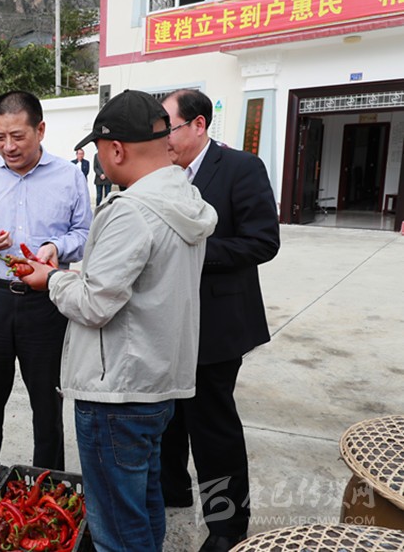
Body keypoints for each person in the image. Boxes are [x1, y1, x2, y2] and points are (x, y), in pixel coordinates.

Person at [21, 89, 217, 552]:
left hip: (116, 392)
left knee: (115, 527)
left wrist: (52, 280)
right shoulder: (184, 199)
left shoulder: (131, 212)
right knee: (143, 504)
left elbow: (94, 305)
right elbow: (134, 287)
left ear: (115, 149)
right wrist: (74, 276)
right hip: (156, 383)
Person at [158, 89, 280, 552]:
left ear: (198, 125)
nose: (162, 138)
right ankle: (172, 490)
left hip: (218, 322)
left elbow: (262, 241)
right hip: (167, 319)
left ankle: (228, 524)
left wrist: (193, 251)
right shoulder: (161, 173)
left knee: (212, 426)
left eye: (168, 128)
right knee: (168, 417)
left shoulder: (240, 168)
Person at [0, 91, 92, 470]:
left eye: (17, 136)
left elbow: (85, 234)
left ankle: (47, 482)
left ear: (40, 130)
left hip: (46, 303)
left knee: (47, 404)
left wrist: (56, 247)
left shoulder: (68, 176)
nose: (8, 146)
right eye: (0, 137)